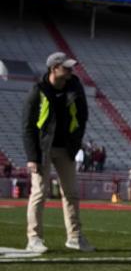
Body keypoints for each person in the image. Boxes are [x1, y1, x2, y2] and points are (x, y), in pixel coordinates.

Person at [23, 51, 92, 253]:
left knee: (71, 193)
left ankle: (75, 237)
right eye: (66, 67)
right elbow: (27, 126)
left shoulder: (75, 88)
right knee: (39, 193)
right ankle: (34, 238)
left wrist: (76, 143)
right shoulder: (38, 91)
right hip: (43, 149)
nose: (71, 71)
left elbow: (82, 116)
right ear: (54, 68)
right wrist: (32, 157)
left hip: (66, 148)